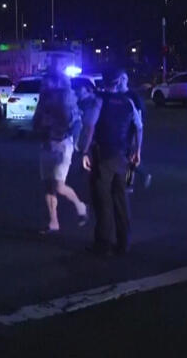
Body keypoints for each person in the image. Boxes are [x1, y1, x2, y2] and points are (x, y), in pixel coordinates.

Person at [79, 68, 143, 257]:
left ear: (104, 82)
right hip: (121, 156)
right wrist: (137, 151)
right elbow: (139, 127)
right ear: (117, 83)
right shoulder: (128, 102)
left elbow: (90, 126)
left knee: (103, 201)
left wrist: (84, 151)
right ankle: (124, 243)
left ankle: (103, 244)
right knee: (121, 200)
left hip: (104, 156)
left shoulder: (100, 101)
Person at [33, 64, 87, 234]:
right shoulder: (44, 98)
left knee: (58, 186)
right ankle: (53, 222)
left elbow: (77, 122)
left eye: (48, 79)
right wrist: (38, 128)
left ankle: (81, 206)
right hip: (46, 143)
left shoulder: (66, 97)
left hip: (62, 144)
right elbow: (37, 119)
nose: (45, 82)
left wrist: (77, 144)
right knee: (48, 185)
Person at [118, 71, 151, 193]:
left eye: (124, 78)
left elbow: (139, 115)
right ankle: (140, 176)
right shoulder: (115, 94)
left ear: (127, 80)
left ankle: (130, 183)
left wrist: (137, 134)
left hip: (131, 131)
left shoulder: (132, 96)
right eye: (120, 78)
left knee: (130, 157)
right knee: (126, 157)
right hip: (120, 130)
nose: (121, 81)